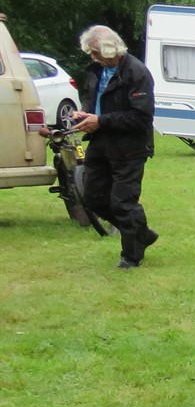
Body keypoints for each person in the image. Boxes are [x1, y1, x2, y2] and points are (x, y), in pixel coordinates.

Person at [74, 26, 157, 269]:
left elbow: (141, 117)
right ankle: (141, 233)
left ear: (111, 49)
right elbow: (92, 99)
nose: (92, 57)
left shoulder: (136, 73)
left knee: (123, 201)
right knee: (93, 198)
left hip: (130, 147)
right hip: (100, 142)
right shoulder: (96, 70)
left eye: (96, 52)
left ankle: (131, 256)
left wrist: (101, 121)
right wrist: (85, 114)